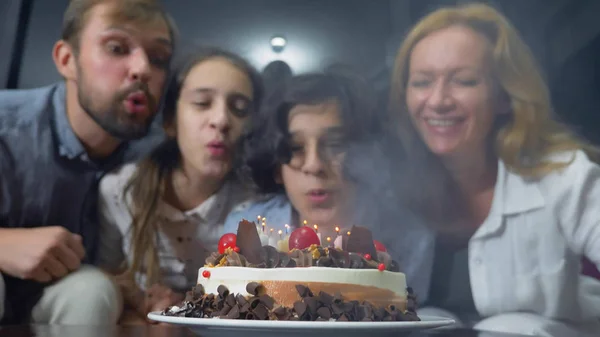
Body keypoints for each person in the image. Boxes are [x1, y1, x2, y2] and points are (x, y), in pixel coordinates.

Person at [388, 3, 600, 336]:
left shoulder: (561, 173)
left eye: (464, 81)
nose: (438, 100)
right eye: (422, 82)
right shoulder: (389, 187)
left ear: (504, 96)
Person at [0, 0, 176, 325]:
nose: (142, 69)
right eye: (116, 48)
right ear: (67, 60)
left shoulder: (158, 156)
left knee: (93, 292)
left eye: (158, 58)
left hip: (66, 297)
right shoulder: (6, 125)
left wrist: (142, 294)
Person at [223, 68, 433, 297]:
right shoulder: (246, 230)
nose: (315, 165)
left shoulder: (409, 236)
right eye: (295, 148)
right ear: (276, 168)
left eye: (334, 144)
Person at [96, 47, 264, 324]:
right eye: (201, 103)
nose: (221, 120)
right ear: (171, 121)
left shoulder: (258, 206)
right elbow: (107, 272)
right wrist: (139, 302)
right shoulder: (120, 190)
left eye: (239, 109)